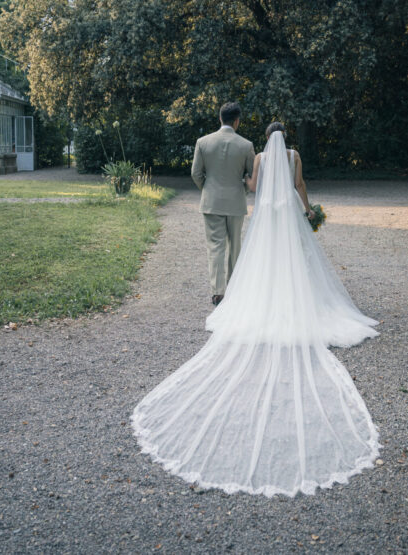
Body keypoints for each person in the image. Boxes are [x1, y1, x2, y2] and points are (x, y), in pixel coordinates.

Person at [132, 123, 381, 497]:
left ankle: (262, 298)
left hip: (267, 217)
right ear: (287, 136)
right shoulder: (294, 156)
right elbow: (298, 187)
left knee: (262, 262)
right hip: (289, 216)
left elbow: (252, 187)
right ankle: (299, 300)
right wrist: (309, 209)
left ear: (267, 137)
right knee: (298, 262)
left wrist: (252, 181)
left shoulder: (262, 157)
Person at [190, 102, 256, 306]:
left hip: (212, 202)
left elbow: (195, 173)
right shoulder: (246, 145)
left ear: (220, 118)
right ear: (237, 121)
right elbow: (252, 175)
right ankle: (234, 288)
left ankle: (218, 292)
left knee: (215, 247)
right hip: (236, 201)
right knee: (235, 246)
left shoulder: (203, 142)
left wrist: (208, 189)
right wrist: (242, 190)